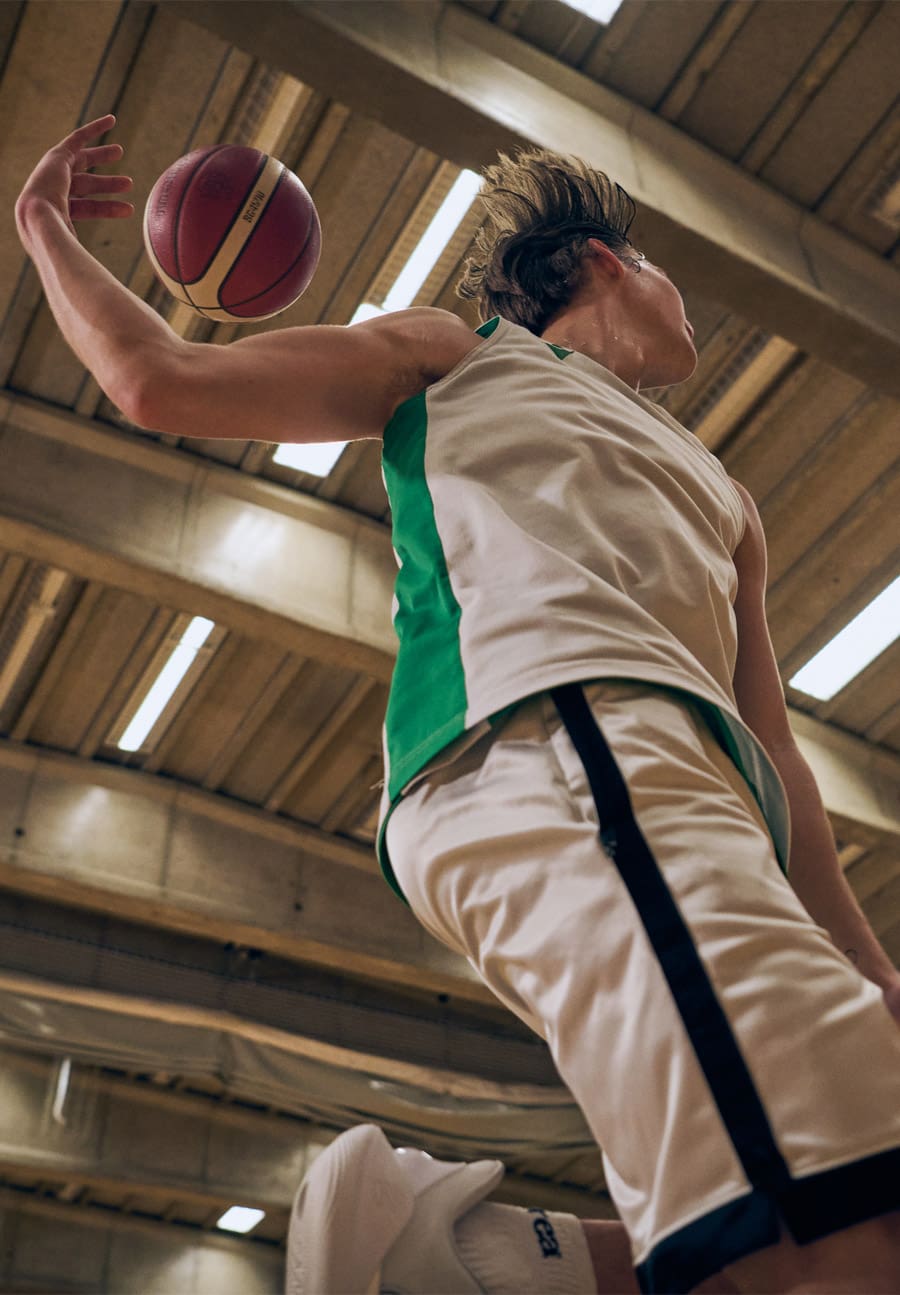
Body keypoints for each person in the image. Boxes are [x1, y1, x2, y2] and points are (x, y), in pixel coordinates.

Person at [15, 115, 900, 1295]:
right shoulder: (463, 354)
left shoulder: (729, 500)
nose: (690, 304)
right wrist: (42, 231)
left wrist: (873, 970)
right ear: (599, 263)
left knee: (851, 1156)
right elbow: (157, 380)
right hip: (552, 751)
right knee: (830, 1201)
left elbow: (776, 754)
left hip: (687, 793)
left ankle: (488, 1266)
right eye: (665, 270)